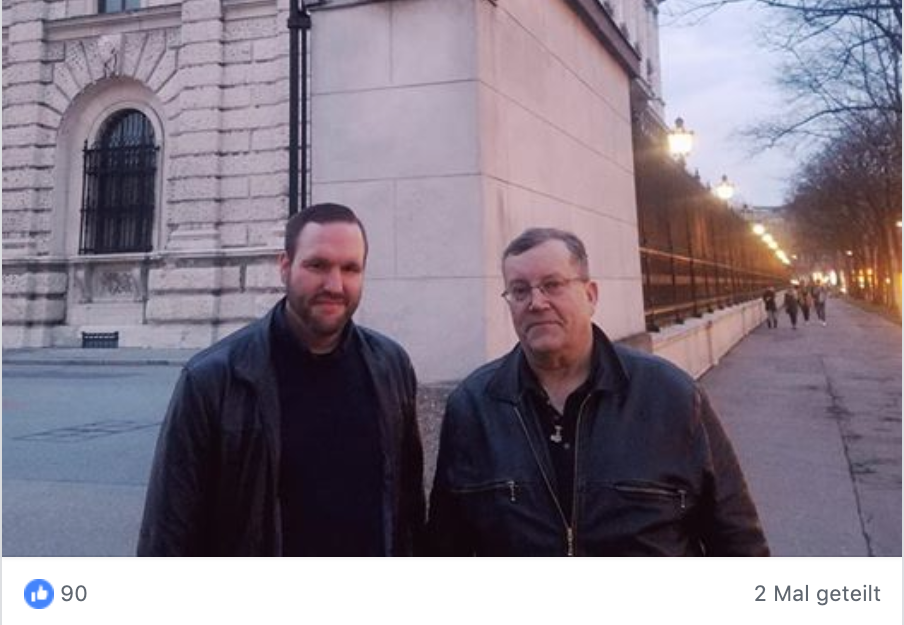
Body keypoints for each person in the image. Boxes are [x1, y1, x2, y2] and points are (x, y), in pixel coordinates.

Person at [427, 227, 769, 557]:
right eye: (519, 290)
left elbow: (738, 540)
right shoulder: (473, 407)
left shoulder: (671, 396)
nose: (536, 302)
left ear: (590, 295)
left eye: (552, 285)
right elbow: (446, 549)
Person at [138, 202, 425, 556]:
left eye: (350, 268)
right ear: (285, 267)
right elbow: (169, 531)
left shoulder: (391, 366)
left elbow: (408, 509)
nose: (334, 284)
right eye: (317, 265)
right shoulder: (213, 379)